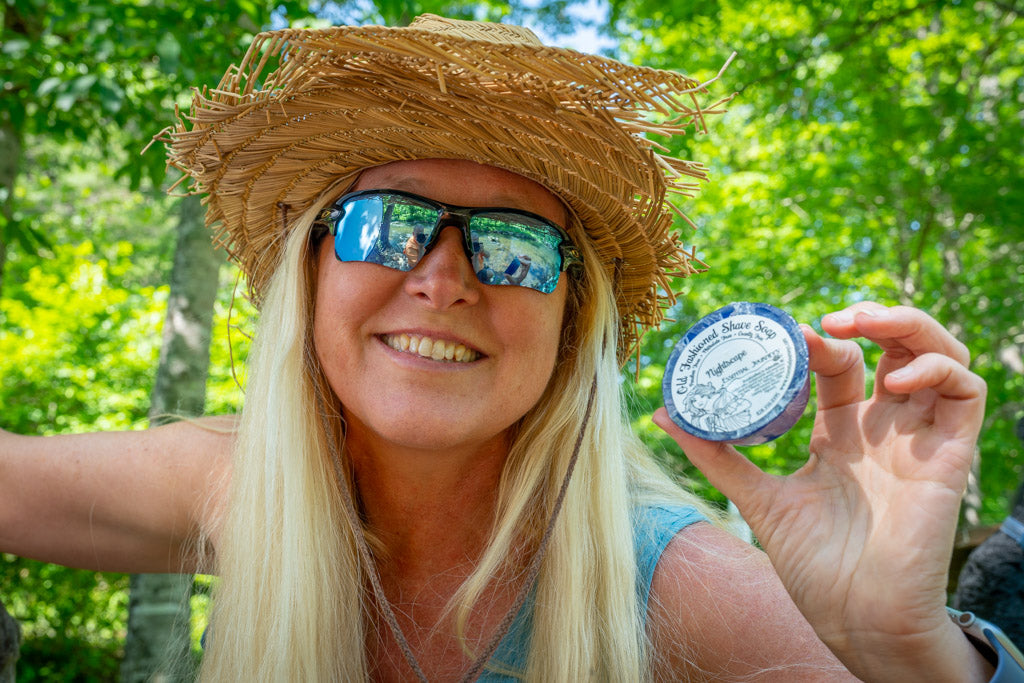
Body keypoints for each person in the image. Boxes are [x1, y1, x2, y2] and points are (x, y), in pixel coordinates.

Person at [0, 14, 1010, 682]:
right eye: (386, 222)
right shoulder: (233, 479)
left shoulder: (676, 583)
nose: (441, 276)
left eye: (515, 244)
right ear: (312, 273)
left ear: (573, 321)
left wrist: (901, 647)